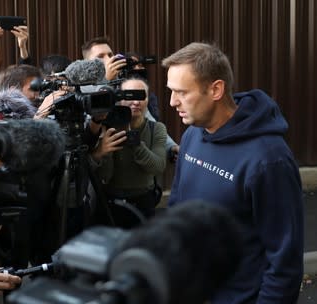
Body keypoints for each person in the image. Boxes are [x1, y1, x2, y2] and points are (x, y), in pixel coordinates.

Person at [162, 42, 303, 304]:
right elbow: (177, 209)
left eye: (182, 92)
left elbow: (284, 263)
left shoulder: (269, 160)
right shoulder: (192, 134)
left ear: (216, 89)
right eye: (171, 92)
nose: (172, 102)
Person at [90, 77, 167, 228]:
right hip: (110, 202)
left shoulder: (156, 128)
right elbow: (104, 176)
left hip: (143, 201)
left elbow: (157, 167)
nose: (136, 102)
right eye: (130, 96)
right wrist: (103, 151)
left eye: (141, 96)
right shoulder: (104, 127)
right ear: (118, 99)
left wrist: (134, 141)